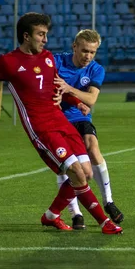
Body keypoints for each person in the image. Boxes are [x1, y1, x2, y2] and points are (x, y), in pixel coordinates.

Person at [0, 12, 122, 235]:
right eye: (41, 34)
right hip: (41, 128)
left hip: (61, 121)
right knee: (76, 172)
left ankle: (51, 216)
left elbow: (56, 88)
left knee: (86, 171)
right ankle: (105, 223)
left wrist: (75, 101)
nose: (45, 39)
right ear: (26, 36)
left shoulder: (47, 58)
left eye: (46, 34)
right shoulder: (8, 62)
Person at [52, 29, 124, 230]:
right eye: (84, 51)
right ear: (74, 47)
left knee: (93, 147)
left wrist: (68, 88)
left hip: (80, 118)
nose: (88, 56)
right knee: (66, 164)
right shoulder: (57, 62)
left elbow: (91, 99)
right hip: (57, 120)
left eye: (92, 52)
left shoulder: (96, 69)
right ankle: (75, 213)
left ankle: (108, 201)